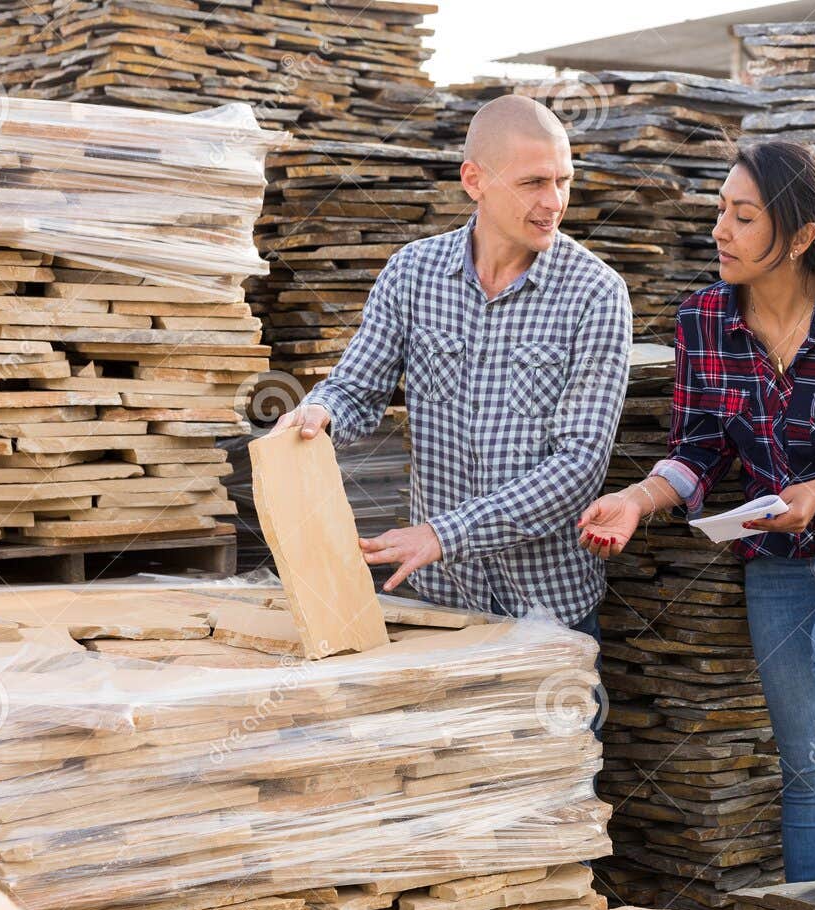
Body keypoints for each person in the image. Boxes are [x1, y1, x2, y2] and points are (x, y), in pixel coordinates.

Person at [576, 140, 815, 910]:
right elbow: (698, 452)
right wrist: (637, 502)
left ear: (801, 237)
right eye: (720, 211)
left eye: (744, 217)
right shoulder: (704, 319)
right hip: (777, 555)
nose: (722, 230)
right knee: (802, 763)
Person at [268, 95, 632, 736]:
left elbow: (578, 467)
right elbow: (357, 386)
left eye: (563, 180)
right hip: (441, 608)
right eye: (533, 183)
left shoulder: (596, 293)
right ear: (475, 181)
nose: (554, 201)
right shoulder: (413, 272)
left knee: (554, 816)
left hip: (548, 613)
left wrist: (442, 534)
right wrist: (319, 412)